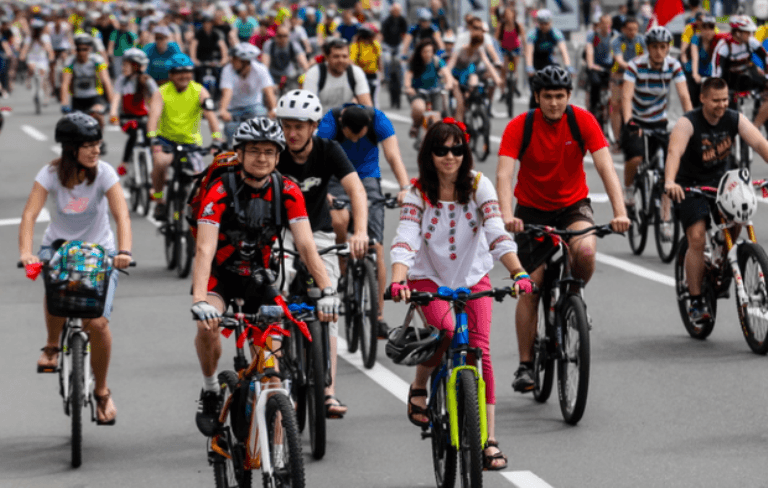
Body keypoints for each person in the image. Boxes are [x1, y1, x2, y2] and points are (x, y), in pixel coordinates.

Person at [389, 119, 534, 471]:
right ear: (429, 154)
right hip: (428, 280)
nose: (450, 156)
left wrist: (518, 271)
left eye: (457, 149)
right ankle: (420, 386)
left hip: (474, 279)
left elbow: (497, 232)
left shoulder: (479, 185)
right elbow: (405, 238)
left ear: (465, 152)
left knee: (480, 352)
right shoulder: (418, 192)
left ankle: (488, 440)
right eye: (441, 150)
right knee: (448, 331)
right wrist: (398, 280)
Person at [190, 117, 340, 436]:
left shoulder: (286, 189)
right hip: (219, 275)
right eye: (254, 150)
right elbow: (204, 249)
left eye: (269, 152)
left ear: (278, 156)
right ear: (240, 154)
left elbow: (305, 244)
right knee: (209, 327)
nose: (261, 158)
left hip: (259, 276)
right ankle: (210, 390)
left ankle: (277, 454)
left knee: (271, 368)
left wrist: (327, 291)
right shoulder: (219, 190)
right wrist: (199, 300)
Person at [496, 65, 630, 391]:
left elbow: (605, 167)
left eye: (560, 96)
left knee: (585, 251)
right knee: (532, 285)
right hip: (530, 211)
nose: (554, 103)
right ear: (537, 97)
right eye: (547, 97)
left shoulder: (582, 120)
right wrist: (505, 215)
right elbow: (503, 174)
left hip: (573, 206)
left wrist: (620, 211)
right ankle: (526, 365)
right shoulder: (521, 126)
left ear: (569, 96)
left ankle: (573, 300)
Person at [18, 113, 133, 426]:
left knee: (96, 324)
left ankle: (102, 392)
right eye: (87, 145)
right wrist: (27, 253)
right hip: (59, 248)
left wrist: (123, 251)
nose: (96, 150)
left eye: (97, 144)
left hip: (100, 253)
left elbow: (122, 215)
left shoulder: (105, 173)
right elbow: (29, 215)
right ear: (70, 149)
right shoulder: (50, 174)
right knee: (56, 286)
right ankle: (53, 345)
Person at [276, 89, 369, 417]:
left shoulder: (329, 150)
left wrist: (360, 231)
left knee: (328, 306)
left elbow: (356, 188)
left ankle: (328, 391)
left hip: (318, 233)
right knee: (274, 298)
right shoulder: (273, 153)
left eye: (300, 126)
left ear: (315, 126)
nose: (293, 133)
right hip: (281, 235)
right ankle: (275, 380)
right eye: (287, 125)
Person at [664, 77, 768, 321]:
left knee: (742, 213)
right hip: (690, 186)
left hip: (723, 182)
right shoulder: (687, 123)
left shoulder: (733, 118)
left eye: (725, 100)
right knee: (697, 237)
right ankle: (697, 301)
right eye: (716, 101)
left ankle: (723, 256)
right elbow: (674, 152)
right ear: (702, 99)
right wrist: (670, 181)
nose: (722, 105)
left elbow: (760, 143)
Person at [317, 104, 411, 337]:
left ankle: (378, 316)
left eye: (362, 134)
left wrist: (404, 186)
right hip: (336, 177)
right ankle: (341, 258)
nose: (357, 139)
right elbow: (317, 158)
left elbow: (392, 154)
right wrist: (321, 191)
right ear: (343, 126)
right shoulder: (329, 123)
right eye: (352, 135)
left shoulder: (378, 119)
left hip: (368, 178)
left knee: (376, 247)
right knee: (339, 219)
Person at [621, 26, 692, 237]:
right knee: (635, 159)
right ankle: (630, 191)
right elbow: (626, 97)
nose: (659, 51)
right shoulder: (635, 66)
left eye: (663, 47)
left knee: (668, 169)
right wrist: (629, 122)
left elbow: (684, 96)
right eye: (654, 47)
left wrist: (692, 123)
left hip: (659, 123)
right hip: (636, 121)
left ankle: (665, 220)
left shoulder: (673, 65)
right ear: (648, 48)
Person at [146, 53, 224, 221]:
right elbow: (154, 116)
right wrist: (152, 137)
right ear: (171, 75)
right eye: (178, 72)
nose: (184, 76)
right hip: (166, 140)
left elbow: (211, 116)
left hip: (190, 143)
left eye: (187, 71)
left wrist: (217, 138)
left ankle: (194, 213)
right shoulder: (161, 92)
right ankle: (159, 200)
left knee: (199, 179)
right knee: (160, 162)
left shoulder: (199, 91)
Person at [60, 33, 114, 154]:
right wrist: (64, 104)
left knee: (98, 115)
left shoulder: (97, 60)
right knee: (75, 127)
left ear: (90, 49)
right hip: (78, 99)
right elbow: (64, 84)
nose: (81, 52)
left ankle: (100, 139)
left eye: (85, 49)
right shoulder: (70, 62)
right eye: (78, 49)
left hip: (95, 97)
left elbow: (106, 81)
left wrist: (111, 103)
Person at [712, 16, 768, 130]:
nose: (750, 35)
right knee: (728, 112)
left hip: (746, 76)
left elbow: (765, 57)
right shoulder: (723, 47)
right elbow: (717, 74)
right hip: (729, 80)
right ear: (737, 33)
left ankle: (755, 125)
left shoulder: (750, 42)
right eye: (748, 32)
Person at [109, 48, 159, 176]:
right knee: (134, 133)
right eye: (123, 64)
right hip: (127, 118)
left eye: (126, 64)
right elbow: (116, 98)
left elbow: (157, 97)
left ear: (136, 66)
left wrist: (157, 113)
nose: (123, 67)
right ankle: (125, 163)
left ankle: (155, 169)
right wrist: (113, 114)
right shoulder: (121, 80)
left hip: (144, 117)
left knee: (151, 138)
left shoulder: (146, 80)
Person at [445, 18, 503, 121]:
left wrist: (497, 78)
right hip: (456, 73)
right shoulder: (462, 46)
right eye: (476, 28)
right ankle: (459, 129)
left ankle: (479, 103)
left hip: (469, 71)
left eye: (480, 28)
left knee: (475, 79)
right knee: (460, 105)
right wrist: (449, 79)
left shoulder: (479, 47)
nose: (479, 30)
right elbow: (451, 64)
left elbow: (488, 63)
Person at [219, 43, 276, 147]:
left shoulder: (260, 69)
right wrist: (223, 110)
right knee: (230, 132)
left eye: (234, 58)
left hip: (254, 107)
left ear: (244, 62)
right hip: (234, 109)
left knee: (262, 127)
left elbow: (269, 91)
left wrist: (273, 109)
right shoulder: (227, 70)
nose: (231, 60)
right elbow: (227, 92)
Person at [404, 39, 455, 139]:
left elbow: (446, 73)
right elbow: (408, 76)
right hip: (418, 92)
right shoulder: (414, 62)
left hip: (435, 91)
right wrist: (408, 87)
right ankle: (416, 125)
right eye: (425, 51)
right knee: (419, 108)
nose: (428, 54)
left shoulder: (437, 61)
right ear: (420, 52)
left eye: (430, 51)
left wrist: (449, 83)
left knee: (437, 117)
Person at [303, 37, 372, 109]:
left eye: (344, 56)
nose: (341, 60)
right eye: (336, 56)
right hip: (320, 119)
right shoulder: (315, 73)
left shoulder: (355, 72)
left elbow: (367, 106)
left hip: (345, 118)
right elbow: (307, 107)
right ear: (327, 57)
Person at [609, 16, 644, 151]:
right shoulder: (616, 41)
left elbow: (645, 56)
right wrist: (631, 68)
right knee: (616, 107)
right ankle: (617, 140)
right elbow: (619, 60)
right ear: (623, 29)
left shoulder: (641, 40)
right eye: (629, 29)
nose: (632, 32)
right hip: (619, 76)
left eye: (635, 29)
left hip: (636, 76)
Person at [525, 9, 572, 108]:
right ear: (538, 23)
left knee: (557, 79)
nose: (544, 26)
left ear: (550, 22)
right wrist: (529, 66)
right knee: (534, 92)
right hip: (535, 60)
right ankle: (532, 113)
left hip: (548, 59)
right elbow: (529, 52)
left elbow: (563, 50)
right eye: (541, 23)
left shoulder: (555, 33)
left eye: (546, 23)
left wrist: (568, 65)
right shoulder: (533, 34)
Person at [261, 24, 308, 92]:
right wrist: (268, 83)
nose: (282, 39)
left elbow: (305, 65)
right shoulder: (269, 45)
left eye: (285, 36)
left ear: (289, 37)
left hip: (290, 77)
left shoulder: (294, 45)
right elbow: (264, 67)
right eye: (279, 36)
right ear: (275, 36)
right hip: (273, 76)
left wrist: (303, 80)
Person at [189, 13, 229, 90]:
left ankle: (219, 93)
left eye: (209, 23)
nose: (207, 25)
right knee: (197, 75)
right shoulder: (198, 33)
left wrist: (223, 59)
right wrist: (194, 59)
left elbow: (223, 47)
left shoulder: (217, 33)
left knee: (220, 75)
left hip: (215, 60)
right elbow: (193, 46)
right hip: (201, 60)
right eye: (205, 23)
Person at [585, 14, 613, 118]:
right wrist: (591, 64)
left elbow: (620, 51)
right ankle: (593, 107)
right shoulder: (592, 36)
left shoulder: (614, 35)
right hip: (595, 66)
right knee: (595, 82)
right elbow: (589, 50)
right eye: (604, 23)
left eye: (608, 23)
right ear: (600, 24)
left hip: (610, 66)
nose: (606, 25)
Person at [19, 18, 53, 99]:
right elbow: (25, 48)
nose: (37, 31)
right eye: (35, 29)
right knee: (31, 68)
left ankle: (43, 92)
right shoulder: (29, 38)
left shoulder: (45, 37)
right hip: (32, 58)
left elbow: (49, 48)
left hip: (42, 59)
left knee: (43, 73)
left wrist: (51, 55)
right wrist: (22, 55)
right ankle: (29, 78)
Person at [690, 15, 719, 108]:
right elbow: (695, 58)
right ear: (701, 29)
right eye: (705, 28)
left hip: (710, 73)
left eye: (711, 28)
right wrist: (695, 74)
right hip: (696, 73)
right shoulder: (696, 39)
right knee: (693, 101)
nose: (708, 32)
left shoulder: (717, 41)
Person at [349, 23, 381, 107]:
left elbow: (379, 59)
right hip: (360, 75)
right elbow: (352, 61)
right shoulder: (356, 46)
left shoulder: (375, 45)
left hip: (372, 75)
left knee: (373, 98)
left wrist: (381, 73)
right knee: (359, 97)